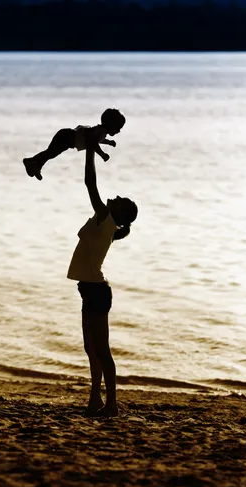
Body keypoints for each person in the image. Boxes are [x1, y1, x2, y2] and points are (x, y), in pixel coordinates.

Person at [67, 143, 138, 417]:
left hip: (96, 292)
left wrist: (88, 149)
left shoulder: (104, 217)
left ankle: (111, 404)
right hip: (88, 290)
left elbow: (89, 182)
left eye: (120, 200)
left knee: (102, 350)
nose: (116, 195)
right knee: (90, 348)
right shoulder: (105, 223)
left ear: (118, 214)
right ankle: (94, 399)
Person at [23, 108, 126, 181]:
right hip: (67, 137)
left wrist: (109, 143)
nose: (119, 131)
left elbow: (98, 140)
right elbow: (93, 142)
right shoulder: (100, 132)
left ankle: (35, 166)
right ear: (111, 125)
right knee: (51, 153)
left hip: (67, 138)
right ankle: (31, 161)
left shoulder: (101, 132)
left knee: (50, 153)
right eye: (118, 128)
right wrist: (102, 154)